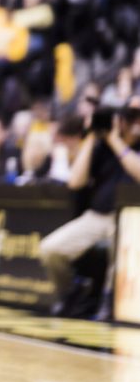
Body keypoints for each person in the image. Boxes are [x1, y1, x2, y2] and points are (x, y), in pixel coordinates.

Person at [39, 104, 140, 320]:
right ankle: (71, 294)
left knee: (121, 239)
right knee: (50, 249)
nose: (131, 122)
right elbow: (75, 182)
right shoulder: (100, 146)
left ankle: (108, 299)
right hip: (97, 216)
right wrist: (92, 137)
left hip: (131, 218)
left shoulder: (127, 144)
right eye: (126, 117)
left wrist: (116, 140)